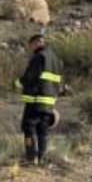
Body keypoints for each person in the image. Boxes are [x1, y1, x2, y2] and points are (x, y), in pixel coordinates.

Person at [17, 34, 63, 165]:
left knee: (28, 128)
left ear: (36, 43)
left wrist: (18, 83)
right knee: (43, 131)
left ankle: (31, 158)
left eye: (31, 45)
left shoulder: (39, 57)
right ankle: (42, 158)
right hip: (49, 103)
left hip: (35, 101)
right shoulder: (55, 59)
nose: (30, 48)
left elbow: (30, 77)